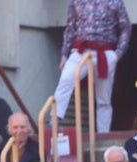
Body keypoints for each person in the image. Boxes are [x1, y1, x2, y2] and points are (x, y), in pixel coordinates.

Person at [55, 0, 131, 134]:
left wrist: (118, 54)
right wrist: (64, 55)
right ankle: (55, 118)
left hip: (105, 52)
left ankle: (103, 133)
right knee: (66, 79)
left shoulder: (115, 2)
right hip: (81, 51)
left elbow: (125, 27)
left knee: (104, 97)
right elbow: (70, 28)